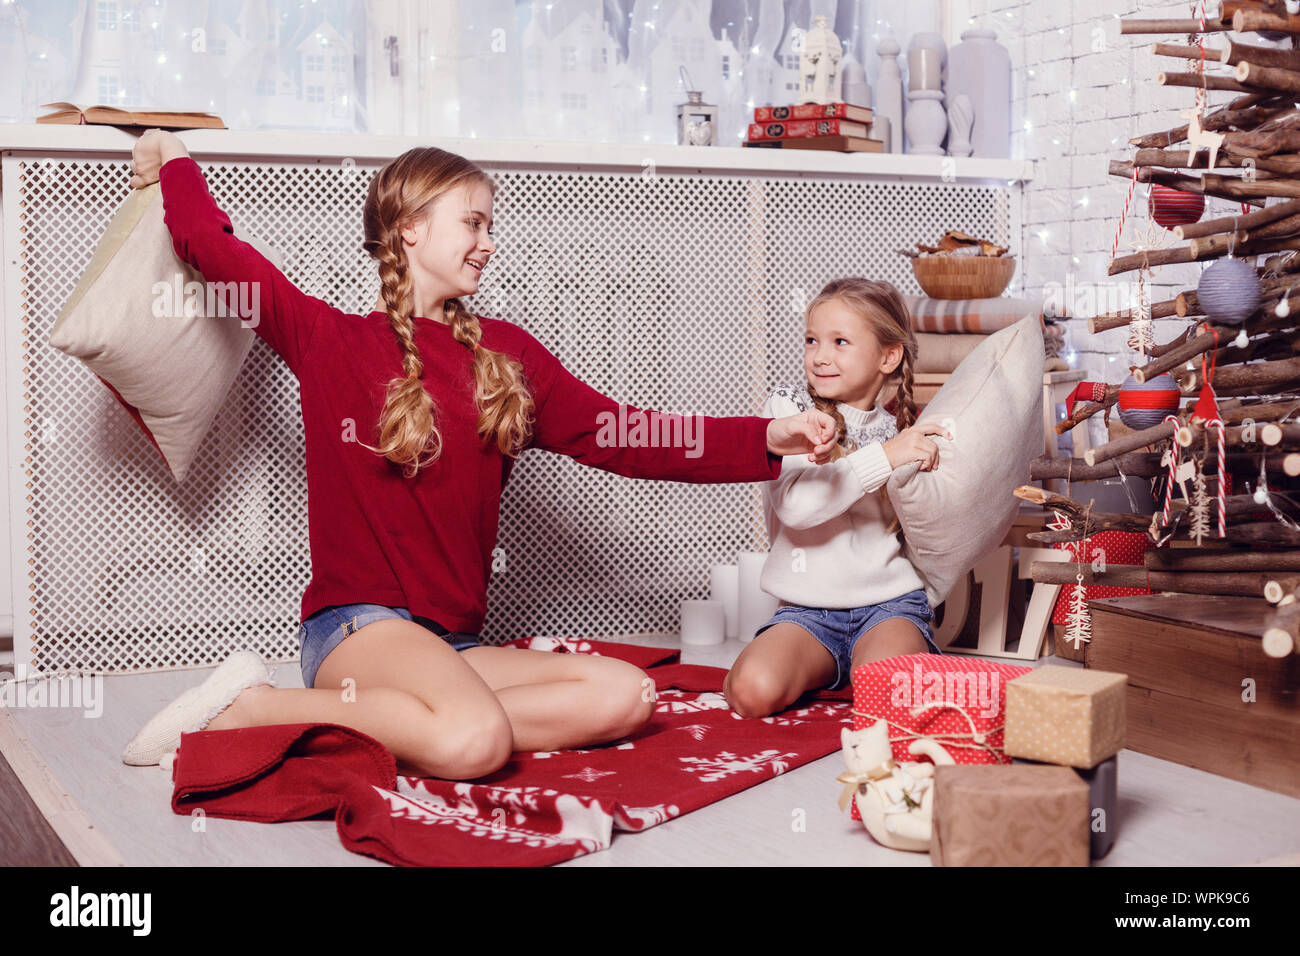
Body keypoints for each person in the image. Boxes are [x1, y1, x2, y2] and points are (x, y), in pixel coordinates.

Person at [121, 129, 839, 780]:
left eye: (489, 226)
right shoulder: (327, 340)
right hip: (357, 628)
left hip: (455, 648)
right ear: (410, 228)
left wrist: (763, 438)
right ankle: (258, 705)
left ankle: (415, 720)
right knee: (474, 743)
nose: (488, 242)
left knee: (629, 696)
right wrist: (174, 155)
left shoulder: (509, 358)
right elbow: (211, 248)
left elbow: (629, 436)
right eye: (473, 223)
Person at [723, 278, 952, 719]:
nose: (820, 356)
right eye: (812, 340)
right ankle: (829, 665)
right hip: (808, 610)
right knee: (752, 693)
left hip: (888, 605)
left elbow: (936, 523)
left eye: (840, 342)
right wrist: (884, 458)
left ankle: (880, 655)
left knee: (892, 700)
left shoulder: (903, 429)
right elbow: (798, 508)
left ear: (889, 356)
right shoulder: (786, 411)